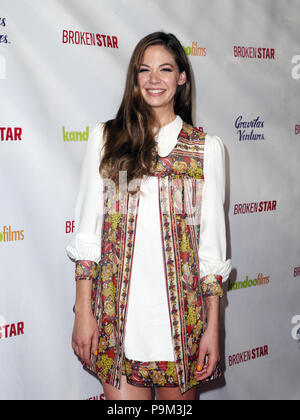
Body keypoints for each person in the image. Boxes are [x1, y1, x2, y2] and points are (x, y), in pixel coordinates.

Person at [66, 31, 231, 400]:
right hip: (116, 320)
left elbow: (210, 251)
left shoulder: (205, 150)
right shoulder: (108, 139)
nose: (154, 80)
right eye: (144, 70)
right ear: (134, 77)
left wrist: (212, 327)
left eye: (166, 69)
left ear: (181, 77)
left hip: (182, 323)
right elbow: (88, 232)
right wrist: (83, 311)